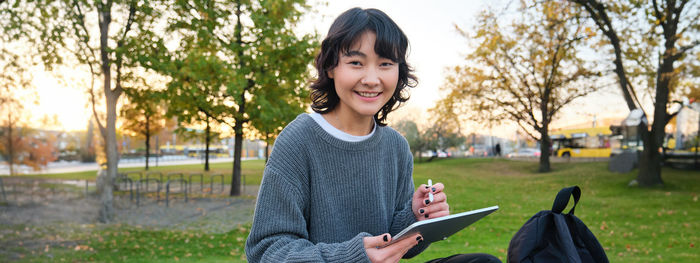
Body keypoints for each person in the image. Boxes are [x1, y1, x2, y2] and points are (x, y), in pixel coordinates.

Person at [245, 8, 501, 263]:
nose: (371, 79)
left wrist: (417, 218)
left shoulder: (396, 146)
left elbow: (397, 245)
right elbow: (267, 250)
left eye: (386, 64)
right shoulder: (298, 140)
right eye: (356, 63)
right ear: (331, 67)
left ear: (399, 72)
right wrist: (351, 257)